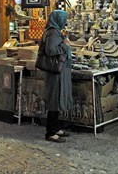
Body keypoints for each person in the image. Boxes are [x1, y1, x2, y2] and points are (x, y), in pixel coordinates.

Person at [42, 10, 73, 143]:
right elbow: (50, 51)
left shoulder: (55, 31)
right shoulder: (53, 32)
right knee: (54, 99)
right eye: (64, 19)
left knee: (57, 98)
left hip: (58, 72)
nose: (65, 21)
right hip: (55, 72)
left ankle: (56, 128)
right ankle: (50, 132)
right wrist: (64, 46)